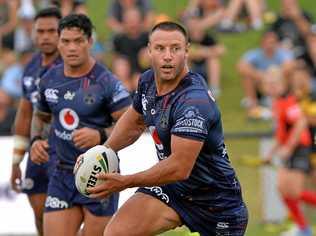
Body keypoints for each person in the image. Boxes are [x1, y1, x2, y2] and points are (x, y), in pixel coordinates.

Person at [86, 21, 248, 236]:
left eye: (175, 48)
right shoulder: (147, 82)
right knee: (117, 233)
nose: (168, 56)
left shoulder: (194, 102)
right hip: (174, 190)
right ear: (149, 51)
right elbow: (134, 123)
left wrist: (125, 182)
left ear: (187, 51)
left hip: (217, 204)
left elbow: (179, 168)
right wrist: (101, 152)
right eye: (160, 48)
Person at [30, 14, 131, 236]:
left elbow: (132, 124)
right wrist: (36, 140)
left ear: (90, 42)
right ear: (59, 42)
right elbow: (41, 116)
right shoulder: (49, 79)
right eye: (66, 41)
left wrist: (101, 135)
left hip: (99, 175)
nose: (71, 48)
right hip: (62, 173)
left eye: (78, 41)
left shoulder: (107, 83)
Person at [10, 7, 62, 236]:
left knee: (63, 222)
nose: (46, 36)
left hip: (65, 156)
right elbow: (24, 114)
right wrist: (15, 161)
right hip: (36, 154)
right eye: (40, 31)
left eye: (52, 31)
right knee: (41, 220)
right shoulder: (31, 67)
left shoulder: (72, 66)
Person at [262, 67, 316, 236]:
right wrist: (271, 153)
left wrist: (288, 148)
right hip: (291, 149)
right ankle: (303, 228)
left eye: (274, 83)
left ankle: (303, 229)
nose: (271, 87)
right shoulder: (277, 102)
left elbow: (301, 124)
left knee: (294, 191)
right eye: (268, 84)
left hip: (300, 149)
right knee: (282, 188)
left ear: (282, 84)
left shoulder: (289, 100)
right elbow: (282, 134)